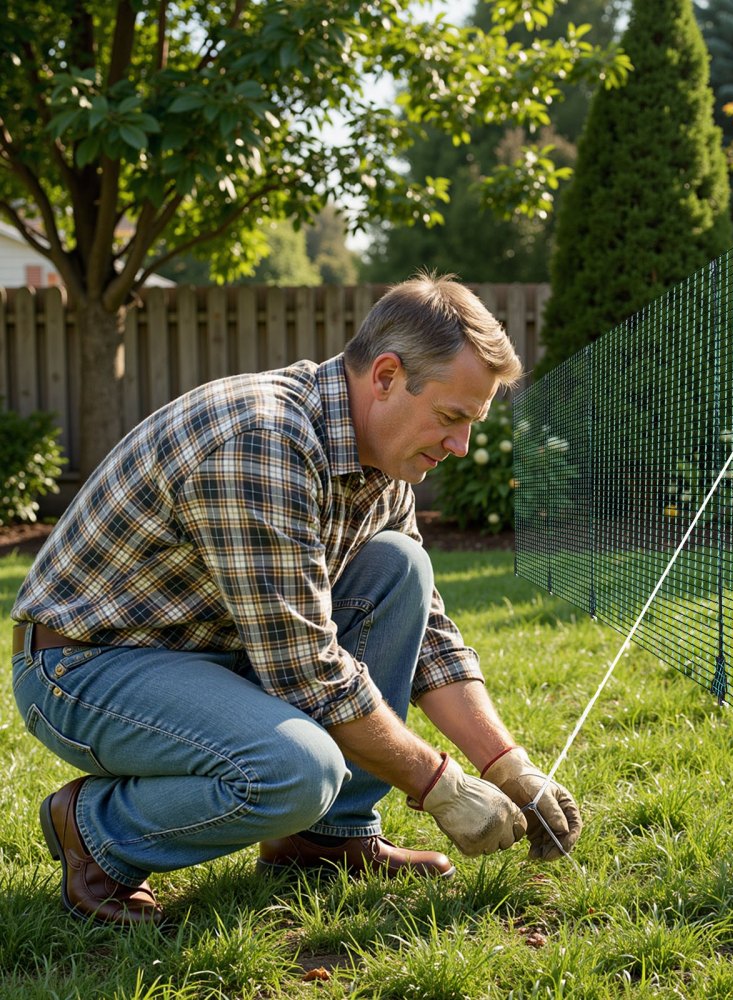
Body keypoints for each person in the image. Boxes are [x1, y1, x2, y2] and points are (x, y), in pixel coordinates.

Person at [10, 273, 582, 927]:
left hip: (209, 655)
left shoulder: (382, 465)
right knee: (297, 769)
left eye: (472, 425)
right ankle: (97, 830)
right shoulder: (262, 441)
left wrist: (510, 767)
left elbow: (426, 636)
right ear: (386, 376)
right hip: (85, 668)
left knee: (401, 566)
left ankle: (326, 842)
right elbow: (307, 675)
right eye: (452, 418)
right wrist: (441, 785)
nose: (460, 446)